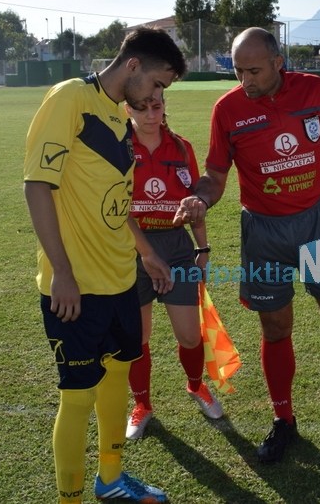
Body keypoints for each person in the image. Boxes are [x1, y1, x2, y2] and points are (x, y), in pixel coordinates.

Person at [172, 27, 320, 464]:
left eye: (253, 70)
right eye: (238, 71)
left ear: (278, 62)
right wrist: (200, 196)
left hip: (316, 224)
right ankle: (284, 420)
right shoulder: (228, 110)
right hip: (264, 234)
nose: (245, 80)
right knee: (275, 328)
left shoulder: (313, 90)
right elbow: (215, 176)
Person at [24, 27, 186, 504]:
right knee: (76, 396)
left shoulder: (118, 118)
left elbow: (121, 202)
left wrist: (147, 253)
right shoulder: (70, 99)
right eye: (157, 84)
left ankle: (111, 480)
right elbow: (37, 186)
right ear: (133, 65)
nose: (157, 96)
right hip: (77, 287)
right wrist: (63, 273)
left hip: (120, 279)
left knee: (118, 377)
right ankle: (69, 499)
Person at [124, 92, 224, 442]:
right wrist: (144, 252)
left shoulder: (181, 148)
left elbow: (193, 202)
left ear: (164, 106)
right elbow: (112, 207)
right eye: (141, 106)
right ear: (127, 107)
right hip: (131, 250)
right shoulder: (118, 147)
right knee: (138, 338)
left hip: (177, 249)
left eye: (156, 106)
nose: (150, 114)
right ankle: (142, 405)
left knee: (190, 335)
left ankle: (196, 386)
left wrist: (203, 247)